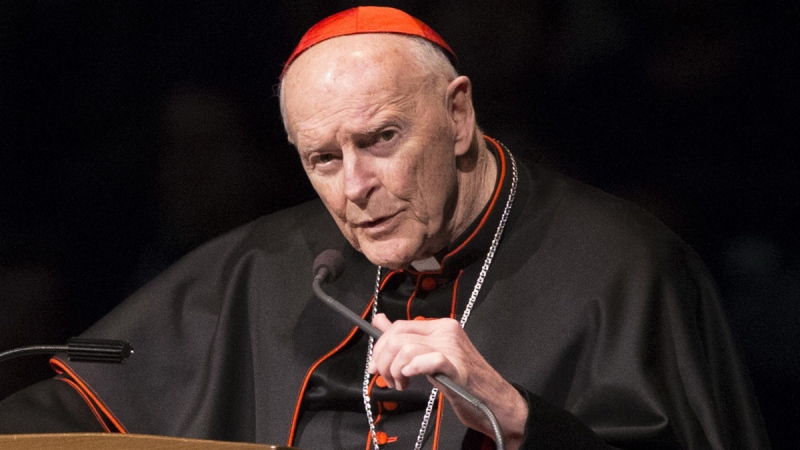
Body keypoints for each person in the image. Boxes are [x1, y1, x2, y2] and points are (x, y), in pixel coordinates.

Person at [0, 6, 769, 449]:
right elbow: (71, 414)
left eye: (382, 140)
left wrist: (517, 415)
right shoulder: (267, 264)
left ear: (459, 114)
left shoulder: (625, 266)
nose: (356, 188)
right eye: (323, 158)